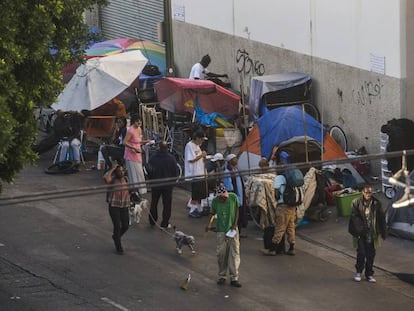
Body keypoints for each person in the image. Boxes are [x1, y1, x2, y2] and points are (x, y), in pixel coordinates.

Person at [349, 185, 387, 283]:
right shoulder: (356, 202)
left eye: (370, 192)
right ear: (362, 192)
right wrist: (361, 230)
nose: (368, 194)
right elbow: (354, 218)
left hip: (372, 233)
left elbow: (381, 218)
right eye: (366, 192)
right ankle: (358, 272)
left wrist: (384, 232)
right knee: (361, 253)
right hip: (360, 233)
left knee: (371, 254)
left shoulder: (376, 203)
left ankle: (369, 274)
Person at [205, 184, 242, 288]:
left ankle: (234, 277)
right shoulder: (215, 201)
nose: (222, 199)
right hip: (221, 230)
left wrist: (235, 225)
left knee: (234, 254)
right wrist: (209, 225)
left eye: (223, 197)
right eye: (220, 198)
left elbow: (237, 210)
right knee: (221, 254)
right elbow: (212, 214)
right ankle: (222, 275)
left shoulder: (233, 197)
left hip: (232, 230)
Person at [147, 141, 179, 229]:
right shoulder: (171, 158)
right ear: (167, 148)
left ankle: (152, 220)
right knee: (167, 204)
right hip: (168, 185)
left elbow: (149, 170)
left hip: (156, 184)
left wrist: (151, 180)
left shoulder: (153, 158)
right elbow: (175, 172)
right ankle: (164, 223)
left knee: (154, 202)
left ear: (159, 147)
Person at [269, 152, 296, 256]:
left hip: (283, 205)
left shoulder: (279, 177)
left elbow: (276, 193)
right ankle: (292, 247)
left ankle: (273, 249)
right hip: (292, 205)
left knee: (280, 227)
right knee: (290, 226)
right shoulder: (291, 175)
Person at [104, 165, 130, 255]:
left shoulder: (126, 179)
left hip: (124, 205)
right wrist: (113, 169)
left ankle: (116, 237)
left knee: (126, 225)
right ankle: (119, 247)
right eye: (119, 171)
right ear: (115, 172)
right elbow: (106, 178)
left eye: (122, 171)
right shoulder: (112, 181)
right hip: (114, 206)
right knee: (117, 226)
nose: (121, 173)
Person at [223, 154, 248, 236]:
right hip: (234, 196)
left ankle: (238, 232)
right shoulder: (227, 172)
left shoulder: (237, 170)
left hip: (240, 196)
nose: (236, 160)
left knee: (240, 215)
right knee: (234, 215)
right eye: (234, 159)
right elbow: (228, 186)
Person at [123, 114, 149, 195]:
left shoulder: (139, 129)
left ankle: (141, 190)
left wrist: (146, 141)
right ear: (134, 121)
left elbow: (138, 141)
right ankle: (134, 190)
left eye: (140, 121)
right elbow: (124, 142)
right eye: (137, 121)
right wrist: (133, 148)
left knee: (139, 171)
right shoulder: (130, 130)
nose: (139, 122)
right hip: (131, 153)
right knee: (134, 172)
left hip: (138, 153)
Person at [184, 130, 207, 218]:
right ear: (197, 138)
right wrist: (202, 155)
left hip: (200, 172)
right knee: (195, 193)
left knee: (201, 193)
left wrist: (204, 157)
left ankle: (200, 209)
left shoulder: (198, 146)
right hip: (194, 173)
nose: (202, 141)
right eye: (201, 139)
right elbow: (191, 159)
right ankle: (192, 210)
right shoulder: (189, 145)